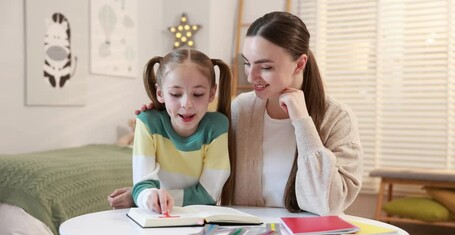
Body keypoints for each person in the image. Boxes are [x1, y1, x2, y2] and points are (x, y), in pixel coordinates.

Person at [109, 11, 362, 216]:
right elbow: (192, 151)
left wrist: (302, 122)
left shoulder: (337, 119)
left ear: (300, 63)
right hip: (246, 232)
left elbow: (328, 205)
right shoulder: (241, 109)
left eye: (265, 66)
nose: (250, 77)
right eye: (247, 63)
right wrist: (161, 113)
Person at [108, 48, 234, 214]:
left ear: (211, 93)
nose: (186, 103)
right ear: (160, 93)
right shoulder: (147, 123)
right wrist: (146, 197)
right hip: (158, 217)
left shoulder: (217, 127)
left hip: (198, 219)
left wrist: (144, 198)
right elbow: (143, 185)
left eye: (197, 94)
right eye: (175, 94)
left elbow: (208, 195)